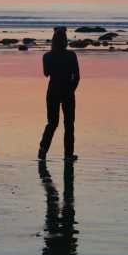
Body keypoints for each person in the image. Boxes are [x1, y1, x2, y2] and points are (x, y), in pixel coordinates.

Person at [38, 27, 80, 162]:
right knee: (69, 124)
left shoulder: (47, 56)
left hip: (53, 90)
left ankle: (43, 150)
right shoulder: (71, 55)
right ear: (65, 41)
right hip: (67, 90)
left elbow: (46, 74)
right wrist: (72, 89)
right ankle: (68, 154)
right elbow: (77, 76)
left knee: (52, 123)